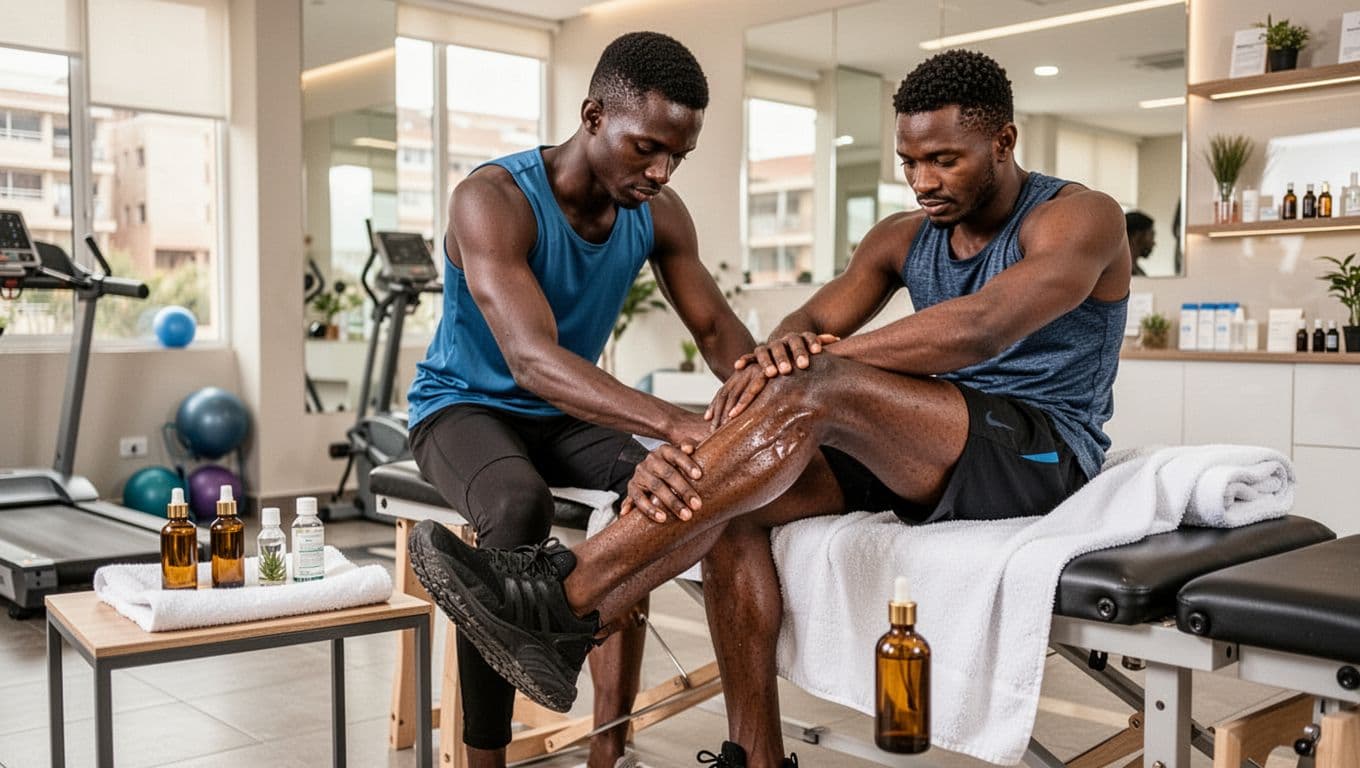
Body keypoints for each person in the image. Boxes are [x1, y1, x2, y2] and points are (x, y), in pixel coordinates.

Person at [409, 49, 1131, 768]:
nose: (923, 182)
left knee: (812, 390)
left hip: (1039, 451)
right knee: (736, 497)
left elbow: (984, 324)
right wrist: (769, 376)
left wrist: (812, 369)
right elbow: (794, 334)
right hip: (927, 439)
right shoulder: (903, 238)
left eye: (944, 159)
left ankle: (558, 601)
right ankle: (754, 756)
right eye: (910, 162)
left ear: (1003, 142)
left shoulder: (1077, 218)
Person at [405, 31, 758, 768]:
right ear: (594, 115)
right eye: (647, 148)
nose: (662, 171)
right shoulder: (492, 199)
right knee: (516, 507)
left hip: (567, 417)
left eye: (678, 156)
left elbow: (718, 329)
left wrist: (771, 387)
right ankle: (484, 759)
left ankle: (608, 740)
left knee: (677, 489)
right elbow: (532, 360)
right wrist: (669, 423)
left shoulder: (659, 216)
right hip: (463, 408)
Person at [1125, 210, 1155, 276]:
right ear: (1137, 236)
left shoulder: (1139, 272)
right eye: (1151, 236)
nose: (1154, 243)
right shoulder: (1119, 273)